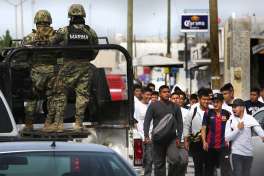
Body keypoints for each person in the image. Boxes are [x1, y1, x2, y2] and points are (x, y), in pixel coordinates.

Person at [43, 4, 98, 132]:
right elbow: (95, 50)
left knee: (60, 92)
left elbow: (51, 42)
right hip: (85, 66)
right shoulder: (90, 31)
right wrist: (88, 59)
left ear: (71, 17)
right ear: (83, 16)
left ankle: (59, 124)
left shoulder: (65, 31)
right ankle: (78, 123)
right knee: (82, 95)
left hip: (69, 65)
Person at [22, 10, 56, 131]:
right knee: (52, 98)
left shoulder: (30, 37)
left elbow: (22, 56)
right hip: (53, 72)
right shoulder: (56, 37)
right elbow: (63, 54)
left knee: (32, 98)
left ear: (36, 22)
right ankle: (49, 124)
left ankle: (29, 124)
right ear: (49, 21)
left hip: (36, 73)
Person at [144, 85, 183, 176]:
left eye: (168, 92)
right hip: (157, 139)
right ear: (160, 94)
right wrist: (146, 135)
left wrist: (179, 137)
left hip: (172, 139)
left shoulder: (175, 107)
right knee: (159, 164)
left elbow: (180, 123)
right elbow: (147, 121)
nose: (167, 94)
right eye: (164, 92)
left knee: (175, 160)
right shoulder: (153, 106)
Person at [225, 99, 264, 176]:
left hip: (248, 154)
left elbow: (260, 131)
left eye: (235, 107)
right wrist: (237, 129)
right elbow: (227, 138)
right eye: (232, 107)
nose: (233, 109)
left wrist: (262, 136)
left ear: (242, 108)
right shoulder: (230, 121)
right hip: (236, 154)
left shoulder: (250, 119)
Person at [201, 93, 232, 176]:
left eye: (217, 102)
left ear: (222, 102)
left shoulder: (227, 114)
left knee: (225, 171)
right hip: (210, 146)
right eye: (213, 102)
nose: (215, 104)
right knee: (209, 170)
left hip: (223, 147)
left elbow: (233, 128)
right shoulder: (208, 113)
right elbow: (203, 128)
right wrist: (204, 141)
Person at [183, 88, 211, 176]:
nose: (206, 101)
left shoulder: (212, 110)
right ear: (199, 99)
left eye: (207, 99)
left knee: (209, 166)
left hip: (210, 142)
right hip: (196, 142)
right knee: (198, 166)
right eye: (204, 99)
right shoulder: (193, 111)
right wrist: (186, 140)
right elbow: (186, 125)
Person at [134, 87, 153, 176]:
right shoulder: (137, 106)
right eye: (147, 94)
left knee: (149, 160)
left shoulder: (152, 106)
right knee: (140, 159)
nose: (149, 96)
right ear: (142, 95)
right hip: (140, 137)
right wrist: (139, 135)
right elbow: (135, 121)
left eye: (150, 95)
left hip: (150, 137)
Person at [171, 91, 189, 176]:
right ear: (171, 99)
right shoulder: (166, 110)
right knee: (173, 162)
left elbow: (189, 126)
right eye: (173, 98)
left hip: (182, 140)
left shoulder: (186, 112)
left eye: (177, 98)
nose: (175, 100)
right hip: (171, 141)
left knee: (184, 161)